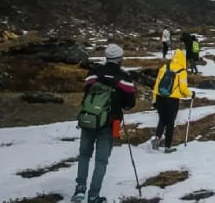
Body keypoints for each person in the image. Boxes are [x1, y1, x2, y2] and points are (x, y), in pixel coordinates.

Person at [73, 44, 136, 203]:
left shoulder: (93, 73)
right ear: (120, 59)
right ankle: (93, 196)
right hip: (110, 124)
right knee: (101, 161)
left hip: (89, 120)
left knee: (84, 155)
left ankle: (79, 190)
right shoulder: (124, 78)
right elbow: (129, 104)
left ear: (106, 57)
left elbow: (87, 91)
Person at [151, 49, 194, 153]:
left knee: (162, 119)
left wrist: (154, 99)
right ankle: (167, 146)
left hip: (160, 97)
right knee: (170, 122)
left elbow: (156, 85)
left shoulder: (164, 67)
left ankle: (157, 138)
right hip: (172, 100)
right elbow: (183, 88)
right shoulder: (182, 71)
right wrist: (191, 94)